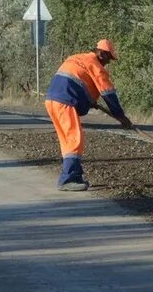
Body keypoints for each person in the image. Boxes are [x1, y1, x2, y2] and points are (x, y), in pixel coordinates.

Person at [43, 38, 132, 191]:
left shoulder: (76, 58)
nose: (108, 62)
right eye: (108, 58)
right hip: (65, 102)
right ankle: (67, 180)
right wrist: (121, 116)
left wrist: (87, 99)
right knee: (74, 139)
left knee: (67, 141)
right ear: (101, 53)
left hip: (52, 101)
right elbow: (108, 93)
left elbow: (76, 82)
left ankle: (75, 176)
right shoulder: (95, 65)